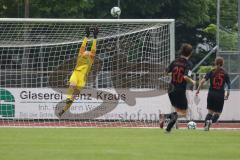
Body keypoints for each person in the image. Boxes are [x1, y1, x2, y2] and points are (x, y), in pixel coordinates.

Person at [58, 26, 99, 117]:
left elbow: (93, 49)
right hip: (76, 74)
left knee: (75, 94)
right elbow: (83, 46)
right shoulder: (80, 55)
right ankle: (68, 98)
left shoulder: (91, 58)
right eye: (85, 51)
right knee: (72, 84)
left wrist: (95, 37)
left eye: (89, 52)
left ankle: (64, 109)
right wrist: (87, 36)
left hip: (83, 77)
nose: (87, 52)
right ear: (83, 52)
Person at [163, 43, 196, 133]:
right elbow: (185, 77)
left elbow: (166, 72)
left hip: (170, 89)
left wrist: (172, 74)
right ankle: (165, 118)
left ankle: (168, 129)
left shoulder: (175, 61)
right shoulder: (188, 64)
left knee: (177, 110)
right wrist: (192, 81)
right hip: (180, 90)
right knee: (183, 112)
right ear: (190, 53)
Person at [196, 57, 230, 131]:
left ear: (215, 63)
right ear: (222, 63)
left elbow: (202, 81)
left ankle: (205, 126)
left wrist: (198, 90)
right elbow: (229, 85)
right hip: (220, 95)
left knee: (210, 112)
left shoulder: (211, 71)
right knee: (218, 113)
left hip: (211, 94)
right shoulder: (225, 73)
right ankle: (210, 122)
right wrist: (227, 95)